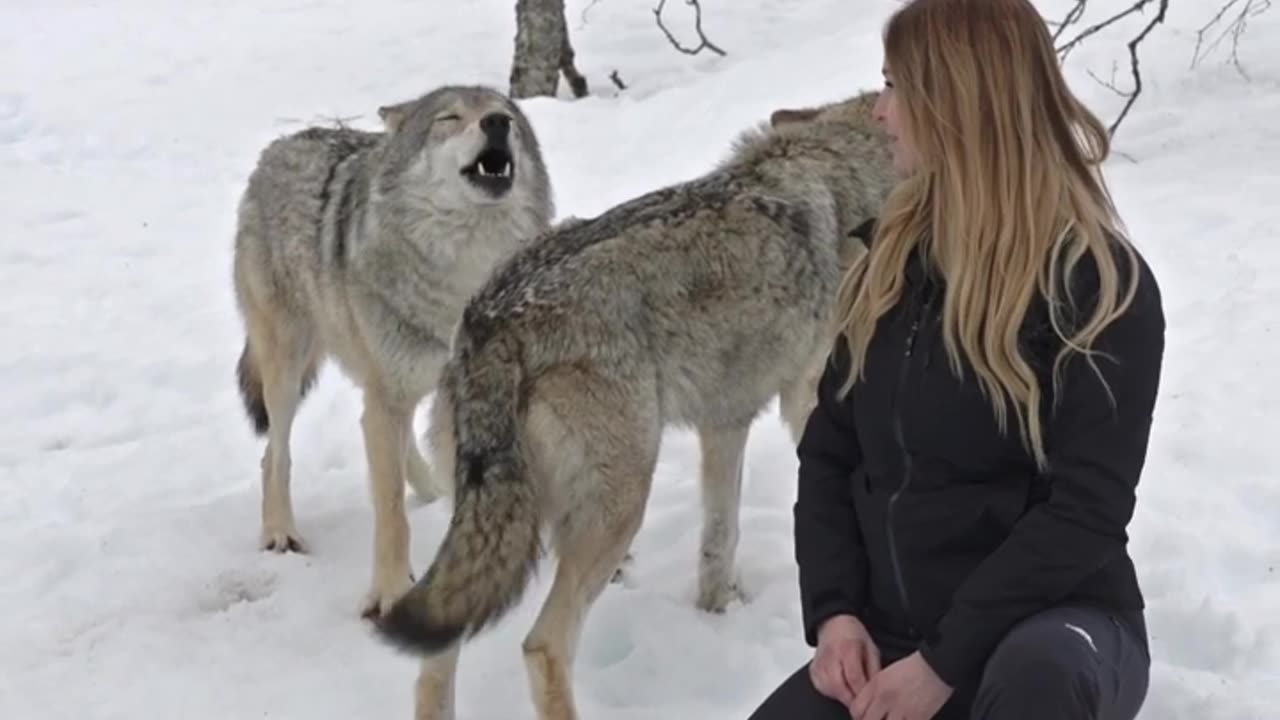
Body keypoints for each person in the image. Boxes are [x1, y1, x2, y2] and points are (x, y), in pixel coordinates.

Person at [747, 0, 1166, 718]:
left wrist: (945, 662)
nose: (881, 112)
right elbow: (831, 455)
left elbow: (1086, 510)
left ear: (957, 102)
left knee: (1040, 679)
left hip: (1053, 629)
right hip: (897, 636)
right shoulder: (889, 265)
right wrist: (837, 612)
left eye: (895, 85)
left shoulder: (1098, 284)